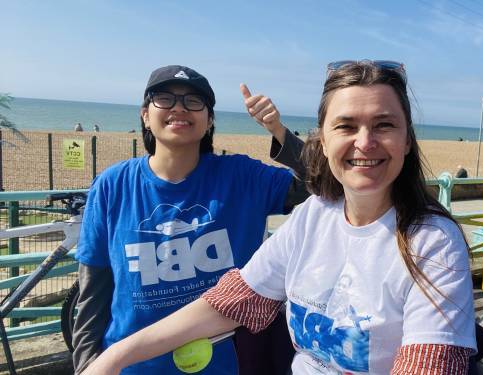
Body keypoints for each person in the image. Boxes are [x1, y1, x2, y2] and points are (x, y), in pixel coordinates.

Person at [81, 60, 477, 374]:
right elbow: (231, 301)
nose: (365, 142)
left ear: (408, 140)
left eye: (384, 125)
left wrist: (277, 131)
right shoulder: (313, 218)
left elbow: (431, 360)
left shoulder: (431, 241)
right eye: (346, 126)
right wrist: (110, 357)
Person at [72, 65, 307, 374]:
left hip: (230, 362)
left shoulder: (241, 176)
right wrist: (88, 363)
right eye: (165, 98)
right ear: (145, 114)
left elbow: (322, 183)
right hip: (132, 365)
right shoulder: (112, 185)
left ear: (209, 121)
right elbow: (93, 289)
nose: (179, 108)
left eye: (194, 101)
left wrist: (278, 130)